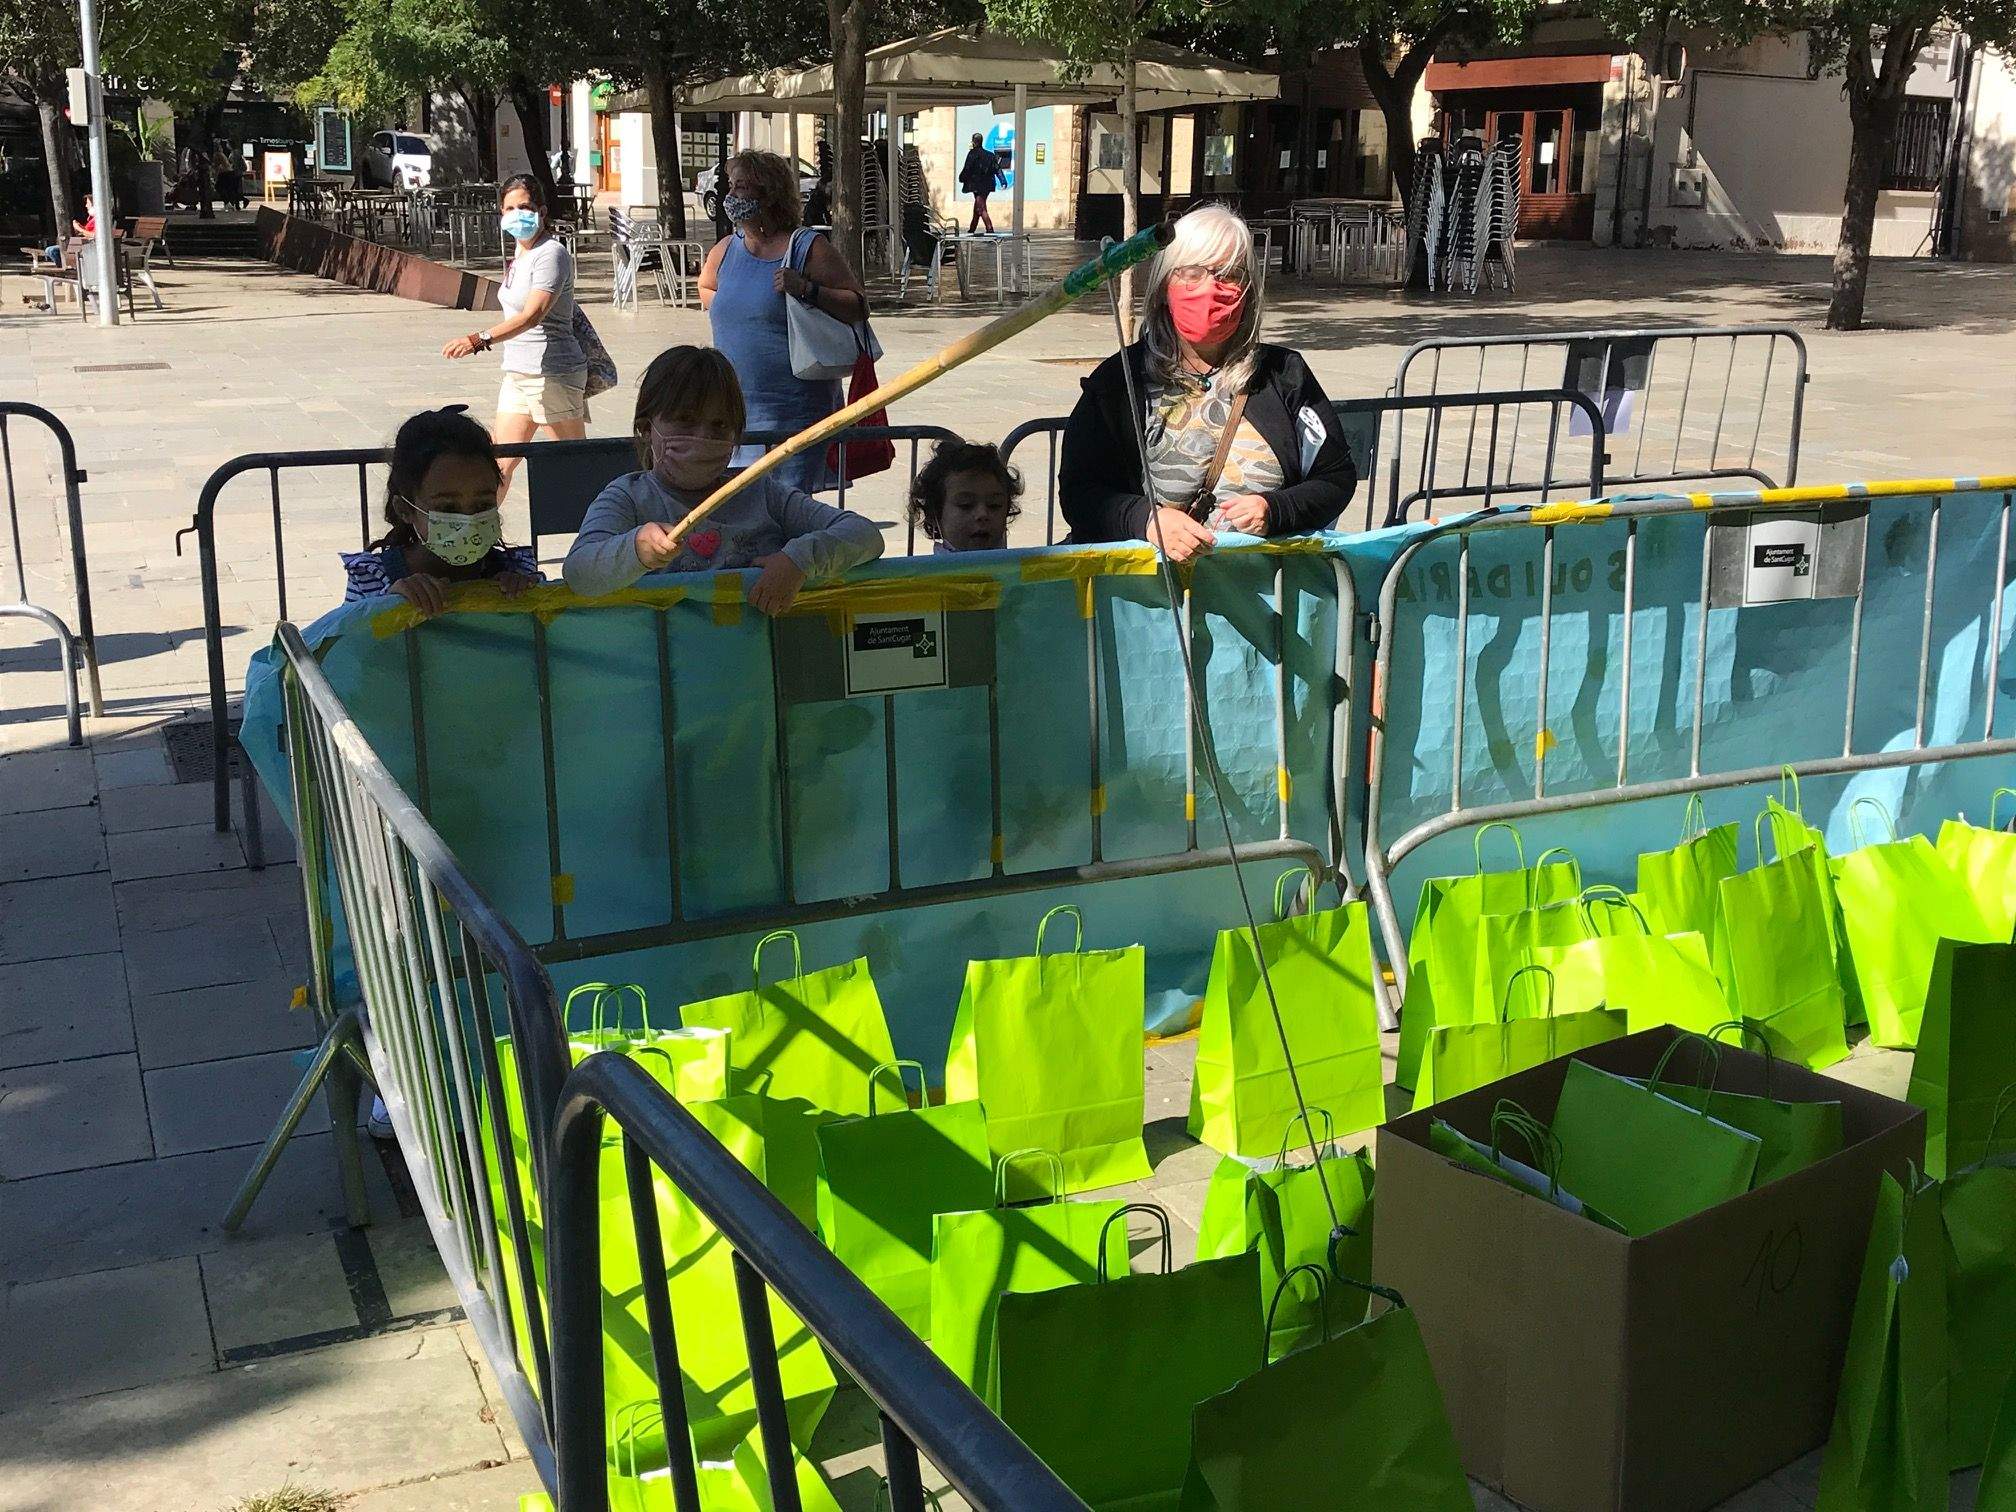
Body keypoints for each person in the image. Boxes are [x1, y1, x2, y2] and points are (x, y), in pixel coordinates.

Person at [1058, 203, 1357, 563]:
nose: (1211, 288)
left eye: (1229, 274)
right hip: (1147, 605)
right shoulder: (1119, 380)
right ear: (1165, 283)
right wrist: (1145, 521)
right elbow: (1079, 492)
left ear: (1249, 290)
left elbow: (1335, 477)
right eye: (1193, 272)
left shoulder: (1285, 374)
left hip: (1261, 599)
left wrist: (1275, 509)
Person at [563, 345, 882, 612]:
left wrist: (799, 560)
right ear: (647, 429)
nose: (703, 437)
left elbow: (864, 534)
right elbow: (579, 572)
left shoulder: (760, 491)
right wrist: (636, 549)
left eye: (719, 426)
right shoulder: (628, 497)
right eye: (685, 422)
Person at [698, 149, 869, 494]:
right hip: (736, 414)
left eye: (742, 188)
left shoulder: (807, 247)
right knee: (744, 514)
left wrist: (806, 288)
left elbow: (857, 306)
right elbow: (705, 286)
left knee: (788, 514)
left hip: (796, 413)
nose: (731, 196)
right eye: (731, 186)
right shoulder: (727, 248)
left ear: (770, 193)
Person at [441, 173, 588, 495]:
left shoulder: (552, 254)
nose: (517, 214)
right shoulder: (521, 254)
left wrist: (479, 339)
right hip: (519, 371)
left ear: (542, 211)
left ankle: (598, 535)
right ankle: (478, 538)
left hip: (552, 373)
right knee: (498, 465)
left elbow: (533, 315)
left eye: (524, 206)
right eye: (509, 208)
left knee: (575, 464)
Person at [341, 406, 540, 618]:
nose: (469, 520)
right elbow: (342, 644)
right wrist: (387, 605)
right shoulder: (370, 579)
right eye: (448, 508)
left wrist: (531, 598)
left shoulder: (518, 569)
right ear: (405, 509)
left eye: (482, 505)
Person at [910, 441, 1020, 554]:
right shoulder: (928, 571)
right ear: (933, 515)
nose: (982, 514)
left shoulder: (1024, 568)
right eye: (966, 505)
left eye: (994, 505)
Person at [960, 132, 1006, 234]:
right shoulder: (990, 155)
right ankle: (972, 229)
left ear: (973, 142)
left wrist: (962, 178)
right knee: (978, 206)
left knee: (980, 208)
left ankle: (990, 230)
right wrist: (1003, 181)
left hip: (976, 185)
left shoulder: (972, 154)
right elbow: (997, 169)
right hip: (987, 185)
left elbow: (967, 168)